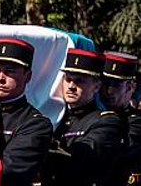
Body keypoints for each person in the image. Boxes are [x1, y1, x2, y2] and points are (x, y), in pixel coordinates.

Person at [43, 48, 125, 186]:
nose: (71, 86)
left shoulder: (107, 121)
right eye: (68, 79)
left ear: (97, 86)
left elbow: (86, 154)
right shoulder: (57, 118)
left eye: (79, 81)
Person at [0, 37, 52, 186]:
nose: (0, 78)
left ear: (27, 76)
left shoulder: (36, 124)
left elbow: (8, 172)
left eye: (10, 72)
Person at [100, 50, 141, 186]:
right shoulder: (92, 118)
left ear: (131, 87)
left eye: (116, 85)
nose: (109, 91)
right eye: (105, 83)